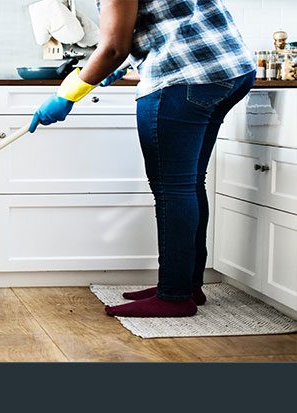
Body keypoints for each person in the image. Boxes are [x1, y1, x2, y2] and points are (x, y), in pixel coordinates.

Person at [30, 0, 256, 317]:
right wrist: (129, 65)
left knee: (173, 188)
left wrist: (67, 94)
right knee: (189, 183)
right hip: (229, 71)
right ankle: (186, 285)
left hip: (184, 78)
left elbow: (112, 49)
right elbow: (169, 21)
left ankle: (174, 297)